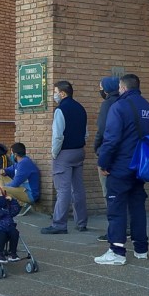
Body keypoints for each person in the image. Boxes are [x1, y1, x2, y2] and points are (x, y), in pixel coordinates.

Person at [95, 73, 149, 265]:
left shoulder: (119, 107)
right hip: (140, 167)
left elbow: (111, 139)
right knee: (137, 208)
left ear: (122, 88)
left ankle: (117, 252)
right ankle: (141, 249)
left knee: (116, 209)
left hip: (121, 166)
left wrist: (103, 163)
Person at [41, 80, 88, 235]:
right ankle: (81, 222)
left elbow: (58, 135)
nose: (54, 95)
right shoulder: (81, 108)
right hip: (79, 151)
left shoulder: (60, 110)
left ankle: (59, 224)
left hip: (64, 153)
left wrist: (54, 153)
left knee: (63, 190)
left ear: (62, 93)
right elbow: (85, 133)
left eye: (55, 92)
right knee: (78, 189)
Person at [93, 76, 121, 242]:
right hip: (124, 156)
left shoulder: (108, 104)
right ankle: (126, 227)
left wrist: (97, 148)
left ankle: (114, 229)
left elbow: (102, 130)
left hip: (108, 154)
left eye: (101, 87)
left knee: (109, 194)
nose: (100, 90)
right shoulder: (124, 102)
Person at [0, 142, 40, 214]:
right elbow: (10, 169)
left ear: (15, 154)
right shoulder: (19, 162)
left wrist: (2, 188)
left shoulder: (25, 163)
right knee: (2, 177)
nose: (11, 155)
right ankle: (4, 199)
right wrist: (3, 170)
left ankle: (21, 204)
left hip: (29, 194)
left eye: (11, 153)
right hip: (21, 189)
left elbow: (15, 183)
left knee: (3, 189)